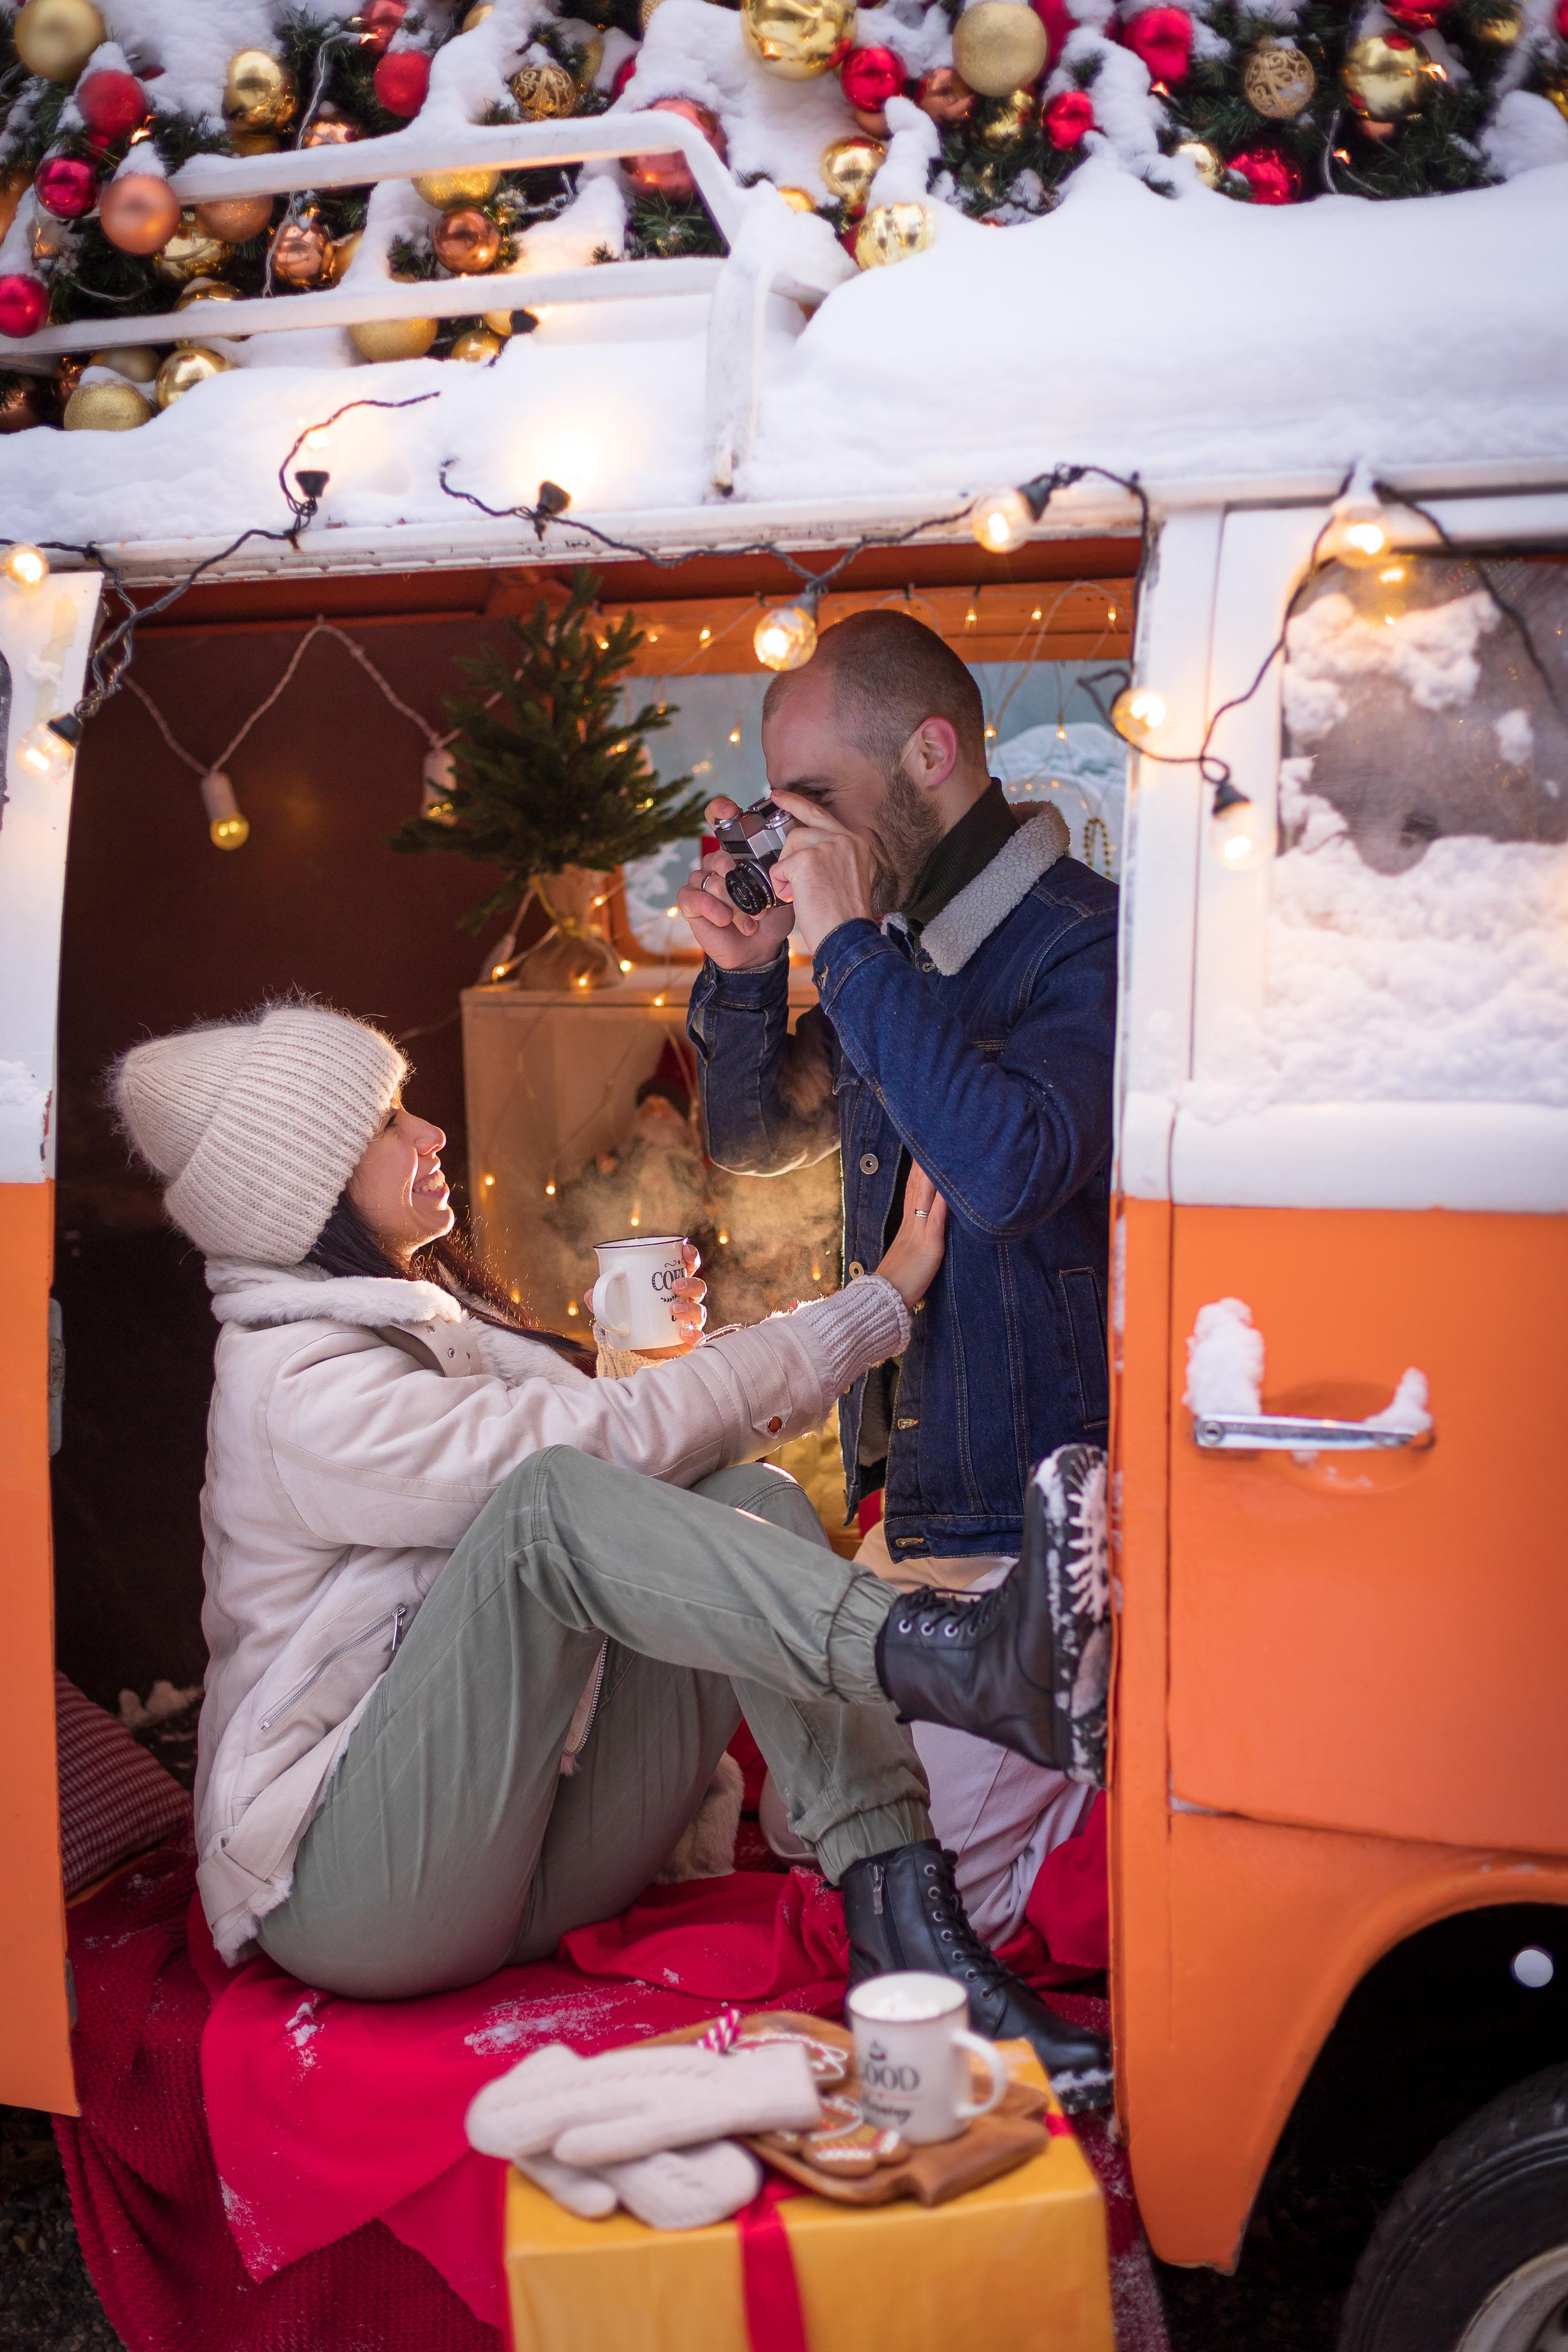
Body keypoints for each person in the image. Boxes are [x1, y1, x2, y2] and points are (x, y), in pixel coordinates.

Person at [108, 998, 1112, 2108]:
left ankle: (910, 1929)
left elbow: (605, 1470)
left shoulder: (430, 1328)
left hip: (516, 1847)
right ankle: (956, 1656)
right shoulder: (294, 1388)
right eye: (389, 1122)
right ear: (307, 1193)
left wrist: (648, 1363)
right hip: (353, 1895)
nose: (429, 1136)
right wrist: (866, 1311)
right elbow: (554, 1486)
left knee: (752, 1505)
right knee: (545, 1506)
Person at [676, 609, 1117, 1949]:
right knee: (822, 1831)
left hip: (1022, 1512)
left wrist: (849, 942)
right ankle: (1053, 1772)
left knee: (932, 1907)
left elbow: (1002, 1173)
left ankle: (1089, 1774)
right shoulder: (898, 946)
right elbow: (758, 1143)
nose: (790, 836)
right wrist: (749, 977)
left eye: (813, 801)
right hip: (909, 1498)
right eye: (776, 811)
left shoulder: (1079, 943)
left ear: (929, 753)